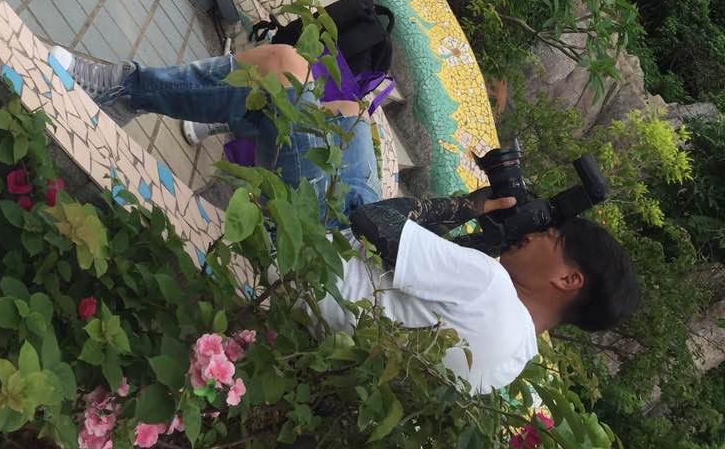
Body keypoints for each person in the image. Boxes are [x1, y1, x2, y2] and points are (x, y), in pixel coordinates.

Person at [49, 42, 641, 396]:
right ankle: (224, 110)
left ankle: (122, 89)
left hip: (308, 258)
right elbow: (410, 290)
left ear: (569, 279)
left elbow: (377, 224)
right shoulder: (512, 363)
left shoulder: (490, 288)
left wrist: (466, 208)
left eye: (550, 236)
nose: (534, 234)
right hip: (338, 292)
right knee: (350, 112)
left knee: (284, 66)